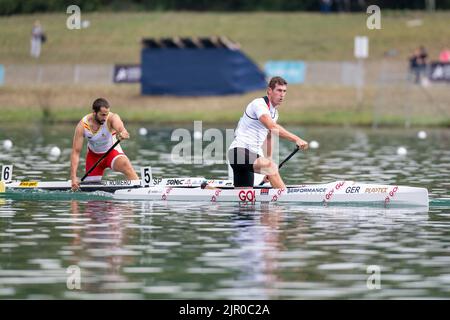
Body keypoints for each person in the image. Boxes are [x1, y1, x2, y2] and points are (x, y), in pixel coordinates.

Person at [227, 76, 308, 189]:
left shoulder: (274, 113)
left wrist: (268, 160)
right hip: (239, 152)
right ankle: (285, 200)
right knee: (271, 168)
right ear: (269, 91)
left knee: (245, 197)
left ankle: (208, 189)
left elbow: (269, 137)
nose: (282, 94)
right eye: (279, 90)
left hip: (250, 156)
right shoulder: (259, 104)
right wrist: (296, 139)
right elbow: (271, 126)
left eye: (284, 91)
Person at [70, 98, 138, 191]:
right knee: (91, 193)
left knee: (126, 165)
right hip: (93, 158)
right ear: (94, 112)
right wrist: (73, 177)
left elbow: (120, 127)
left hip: (111, 153)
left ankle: (139, 188)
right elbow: (75, 152)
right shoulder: (83, 126)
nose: (105, 117)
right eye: (102, 115)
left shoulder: (111, 118)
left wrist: (122, 132)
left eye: (107, 114)